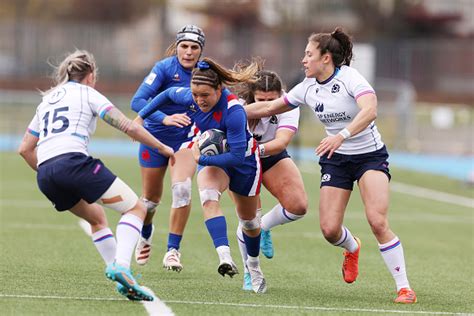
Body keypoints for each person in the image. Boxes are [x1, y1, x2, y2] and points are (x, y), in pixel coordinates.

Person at [244, 27, 417, 304]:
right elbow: (267, 108)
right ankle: (352, 247)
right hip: (335, 161)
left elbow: (370, 109)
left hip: (369, 157)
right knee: (329, 229)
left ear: (326, 58)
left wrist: (342, 136)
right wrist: (223, 111)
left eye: (308, 54)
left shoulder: (349, 77)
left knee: (377, 220)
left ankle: (404, 288)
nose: (303, 60)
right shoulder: (306, 87)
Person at [18, 50, 176, 302]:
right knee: (136, 209)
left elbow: (24, 149)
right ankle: (121, 266)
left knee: (97, 217)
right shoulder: (88, 93)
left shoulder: (46, 100)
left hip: (46, 173)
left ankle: (126, 281)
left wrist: (52, 171)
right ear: (91, 75)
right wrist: (163, 148)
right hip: (73, 162)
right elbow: (128, 125)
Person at [135, 57, 267, 294]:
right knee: (208, 196)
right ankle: (225, 257)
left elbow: (236, 157)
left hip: (244, 163)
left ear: (219, 89)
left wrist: (201, 158)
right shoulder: (191, 97)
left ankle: (254, 267)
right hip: (214, 162)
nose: (198, 100)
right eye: (195, 95)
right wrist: (141, 116)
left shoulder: (234, 111)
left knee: (250, 222)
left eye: (205, 95)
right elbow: (165, 96)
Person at [130, 25, 205, 271]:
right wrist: (164, 118)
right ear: (177, 47)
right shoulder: (164, 68)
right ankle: (146, 232)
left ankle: (173, 251)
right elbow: (138, 101)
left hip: (185, 141)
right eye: (184, 46)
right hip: (154, 139)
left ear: (201, 51)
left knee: (182, 189)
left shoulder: (205, 73)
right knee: (150, 201)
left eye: (194, 47)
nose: (189, 52)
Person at [234, 69, 308, 290]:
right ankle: (250, 272)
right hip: (241, 162)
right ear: (251, 97)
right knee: (249, 221)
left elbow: (281, 142)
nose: (267, 107)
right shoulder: (237, 106)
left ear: (280, 96)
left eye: (272, 101)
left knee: (298, 206)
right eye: (261, 101)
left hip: (270, 155)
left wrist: (254, 149)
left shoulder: (289, 103)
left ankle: (265, 227)